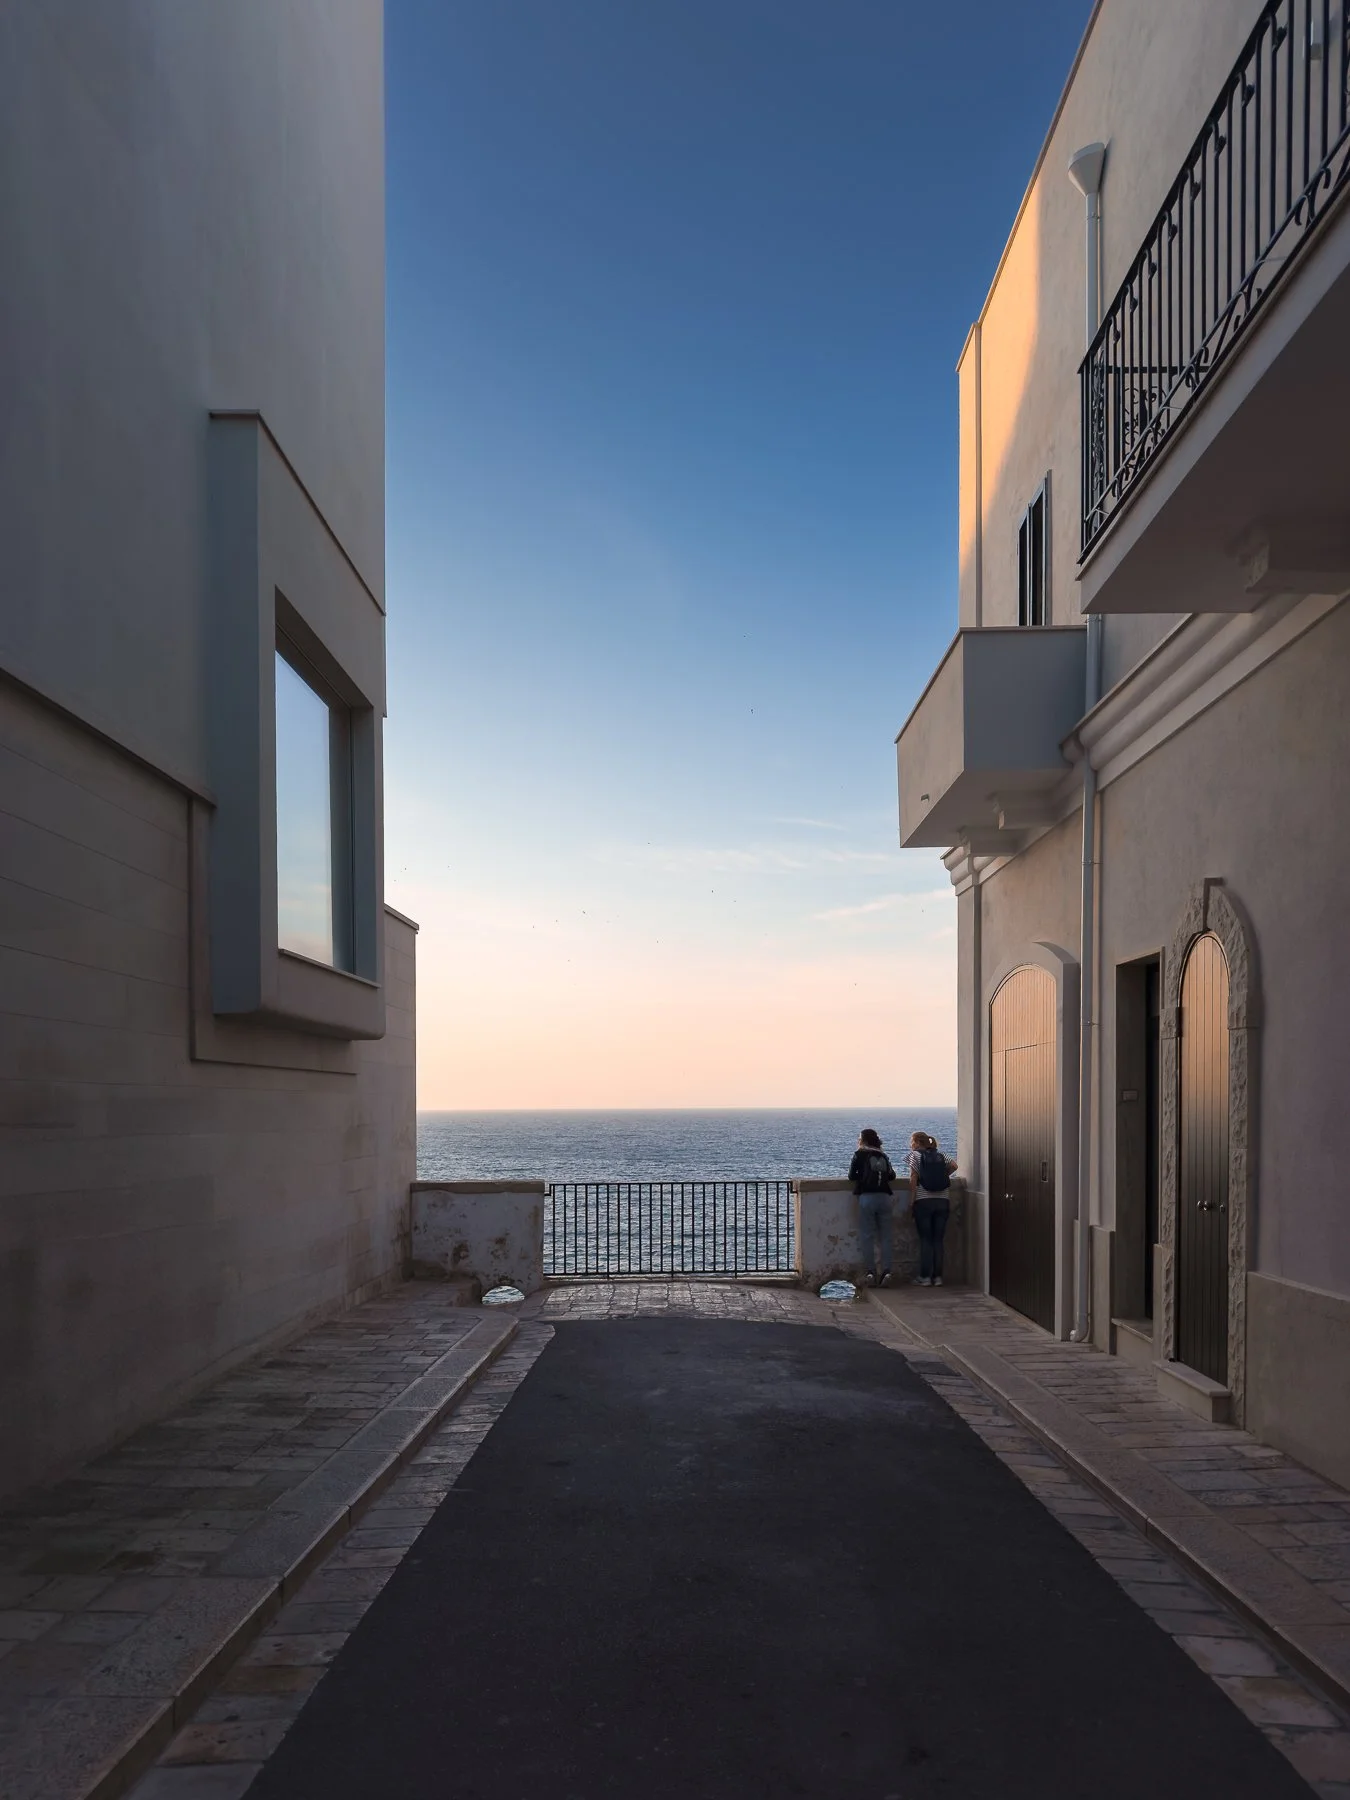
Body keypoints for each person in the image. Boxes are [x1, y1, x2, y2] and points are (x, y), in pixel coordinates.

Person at [848, 1128, 897, 1288]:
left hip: (867, 1198)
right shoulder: (882, 1155)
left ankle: (871, 1272)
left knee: (867, 1236)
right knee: (886, 1236)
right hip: (884, 1198)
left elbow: (851, 1176)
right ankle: (887, 1272)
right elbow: (891, 1176)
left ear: (862, 1140)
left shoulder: (859, 1154)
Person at [909, 1131, 957, 1287]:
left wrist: (912, 1201)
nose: (911, 1144)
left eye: (912, 1141)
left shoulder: (915, 1156)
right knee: (938, 1240)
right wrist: (943, 1177)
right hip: (943, 1200)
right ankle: (938, 1277)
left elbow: (913, 1178)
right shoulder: (941, 1154)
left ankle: (925, 1277)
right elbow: (955, 1166)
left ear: (917, 1142)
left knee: (926, 1240)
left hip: (924, 1201)